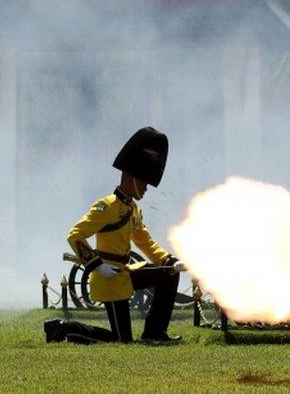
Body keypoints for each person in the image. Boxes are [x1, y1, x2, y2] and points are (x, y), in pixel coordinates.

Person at [44, 127, 185, 344]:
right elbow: (75, 235)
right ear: (130, 179)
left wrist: (168, 260)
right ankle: (62, 328)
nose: (146, 188)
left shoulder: (133, 209)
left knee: (168, 273)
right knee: (121, 340)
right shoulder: (107, 206)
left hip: (125, 272)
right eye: (144, 182)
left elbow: (144, 240)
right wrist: (97, 265)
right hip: (108, 277)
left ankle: (154, 333)